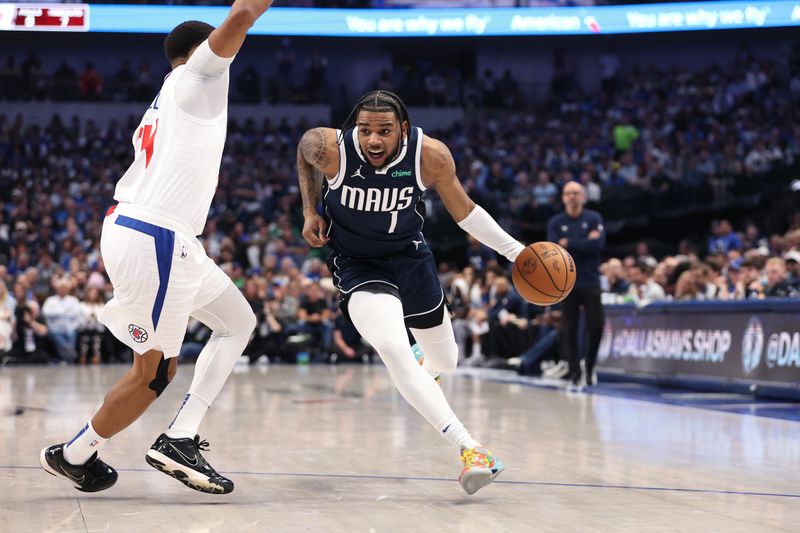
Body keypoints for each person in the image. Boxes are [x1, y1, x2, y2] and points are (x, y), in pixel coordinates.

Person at [40, 0, 273, 495]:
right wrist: (242, 20)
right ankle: (170, 444)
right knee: (154, 373)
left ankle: (80, 454)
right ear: (201, 49)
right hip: (156, 235)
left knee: (238, 322)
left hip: (160, 235)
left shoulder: (167, 96)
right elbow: (244, 13)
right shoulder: (198, 77)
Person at [296, 90, 525, 495]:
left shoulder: (429, 155)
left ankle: (426, 362)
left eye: (384, 131)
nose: (373, 141)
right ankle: (471, 449)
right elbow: (303, 151)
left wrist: (518, 253)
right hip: (358, 264)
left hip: (410, 257)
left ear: (402, 130)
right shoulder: (328, 147)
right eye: (365, 131)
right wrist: (310, 209)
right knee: (392, 347)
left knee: (447, 361)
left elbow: (466, 212)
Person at [547, 182, 605, 387]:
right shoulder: (555, 222)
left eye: (576, 193)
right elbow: (554, 251)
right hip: (566, 282)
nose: (572, 196)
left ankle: (589, 368)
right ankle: (573, 371)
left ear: (583, 196)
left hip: (590, 279)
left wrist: (569, 243)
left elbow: (598, 244)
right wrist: (584, 242)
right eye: (568, 193)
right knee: (568, 329)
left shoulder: (594, 218)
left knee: (596, 326)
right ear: (563, 197)